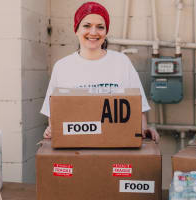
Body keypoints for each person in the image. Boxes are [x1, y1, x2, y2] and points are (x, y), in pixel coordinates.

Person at [41, 1, 159, 142]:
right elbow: (54, 113)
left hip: (116, 145)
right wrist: (53, 129)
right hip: (76, 147)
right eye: (87, 26)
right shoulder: (62, 66)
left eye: (100, 27)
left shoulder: (122, 62)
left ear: (105, 32)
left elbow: (138, 110)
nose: (93, 32)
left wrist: (143, 131)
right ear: (76, 29)